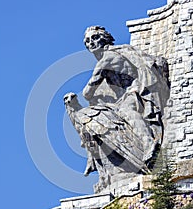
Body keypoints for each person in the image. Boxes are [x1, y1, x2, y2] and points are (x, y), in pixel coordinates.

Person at [64, 26, 170, 189]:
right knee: (92, 122)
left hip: (135, 92)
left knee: (126, 112)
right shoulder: (112, 56)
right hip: (122, 97)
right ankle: (103, 168)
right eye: (87, 41)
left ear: (104, 38)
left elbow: (87, 92)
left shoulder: (108, 58)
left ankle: (149, 143)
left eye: (94, 38)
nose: (91, 43)